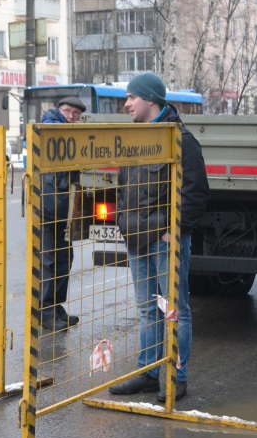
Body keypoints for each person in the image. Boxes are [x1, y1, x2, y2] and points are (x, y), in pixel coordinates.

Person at [108, 72, 209, 401]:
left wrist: (174, 232)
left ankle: (177, 377)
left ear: (150, 100)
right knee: (148, 310)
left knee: (173, 309)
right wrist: (124, 223)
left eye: (131, 98)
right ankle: (149, 373)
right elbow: (124, 189)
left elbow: (195, 194)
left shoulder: (180, 139)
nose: (126, 104)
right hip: (137, 239)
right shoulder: (134, 138)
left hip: (165, 242)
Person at [38, 95, 86, 332]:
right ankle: (45, 312)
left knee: (65, 260)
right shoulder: (49, 126)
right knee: (48, 261)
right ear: (58, 110)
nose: (71, 116)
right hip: (47, 210)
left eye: (76, 114)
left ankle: (56, 307)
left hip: (64, 212)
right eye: (67, 111)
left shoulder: (73, 134)